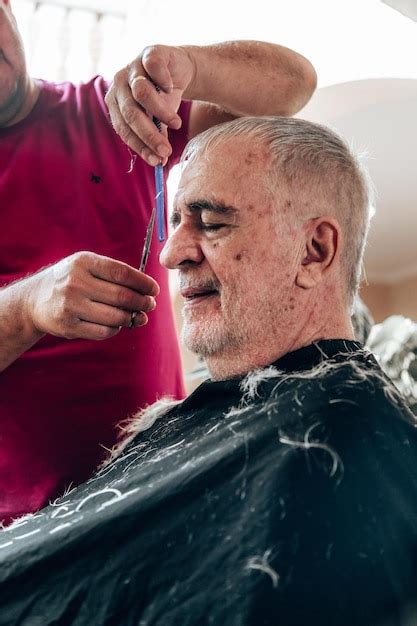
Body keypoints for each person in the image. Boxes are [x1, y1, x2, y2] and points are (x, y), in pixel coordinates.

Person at [1, 116, 417, 626]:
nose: (170, 253)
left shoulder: (356, 434)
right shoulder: (178, 424)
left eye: (211, 222)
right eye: (175, 222)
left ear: (314, 252)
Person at [0, 0, 317, 525]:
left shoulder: (111, 115)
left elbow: (293, 89)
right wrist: (29, 305)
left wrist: (192, 66)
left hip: (163, 490)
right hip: (22, 536)